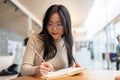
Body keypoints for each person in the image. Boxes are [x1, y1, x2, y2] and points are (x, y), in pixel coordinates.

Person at [21, 4, 81, 76]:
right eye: (50, 24)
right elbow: (24, 70)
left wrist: (75, 68)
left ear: (66, 25)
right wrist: (36, 70)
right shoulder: (35, 39)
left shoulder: (69, 41)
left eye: (59, 25)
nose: (54, 29)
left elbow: (71, 66)